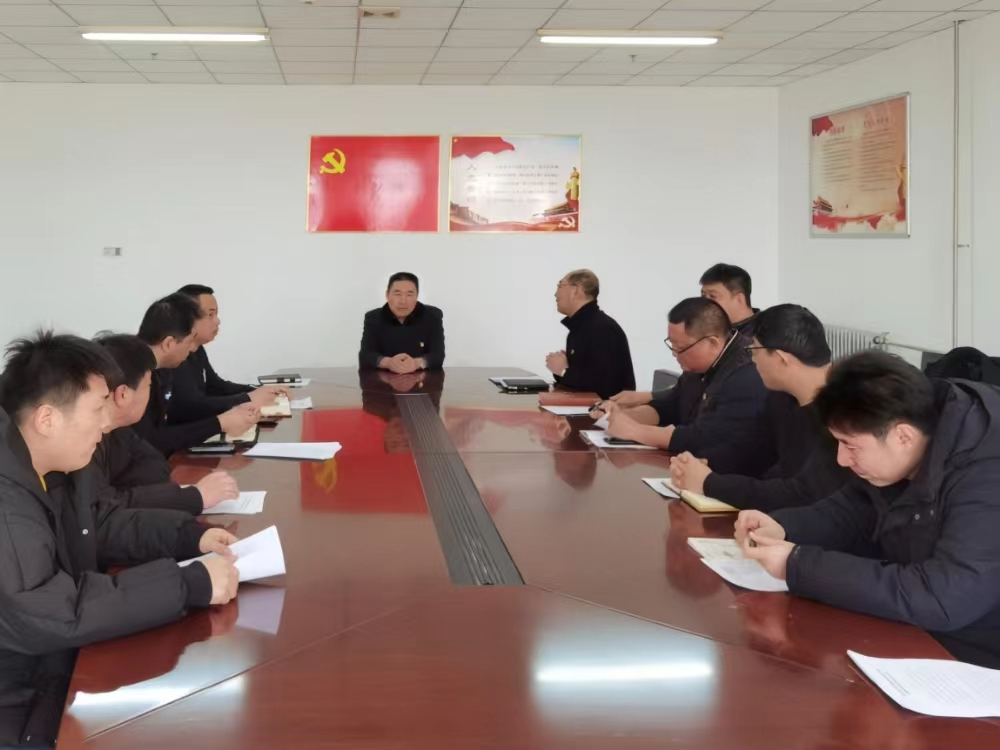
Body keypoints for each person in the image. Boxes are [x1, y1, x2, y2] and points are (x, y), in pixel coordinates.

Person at [736, 351, 1000, 668]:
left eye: (850, 445)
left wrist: (798, 565)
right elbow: (855, 508)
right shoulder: (911, 423)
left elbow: (944, 597)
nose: (842, 460)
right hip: (924, 632)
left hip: (976, 657)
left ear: (903, 436)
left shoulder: (986, 473)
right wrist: (783, 527)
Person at [0, 331, 239, 658]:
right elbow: (50, 613)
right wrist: (186, 584)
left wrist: (190, 536)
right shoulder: (8, 502)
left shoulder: (53, 464)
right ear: (47, 420)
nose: (106, 422)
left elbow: (98, 524)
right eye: (98, 408)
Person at [670, 304, 850, 511]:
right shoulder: (781, 397)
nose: (751, 360)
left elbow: (802, 495)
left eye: (753, 350)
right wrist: (701, 464)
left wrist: (709, 483)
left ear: (781, 358)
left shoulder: (844, 412)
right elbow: (751, 449)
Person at [599, 297, 766, 474]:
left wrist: (636, 431)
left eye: (680, 347)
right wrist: (619, 416)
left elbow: (707, 438)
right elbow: (670, 406)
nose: (674, 353)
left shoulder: (746, 373)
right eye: (672, 345)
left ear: (712, 342)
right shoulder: (696, 367)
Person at [94, 332, 240, 514]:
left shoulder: (120, 430)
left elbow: (154, 465)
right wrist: (194, 497)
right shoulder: (88, 440)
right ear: (123, 394)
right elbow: (101, 507)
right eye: (148, 385)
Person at [611, 263, 757, 408]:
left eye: (712, 296)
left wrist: (646, 398)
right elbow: (687, 389)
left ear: (739, 299)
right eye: (703, 295)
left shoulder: (758, 341)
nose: (704, 302)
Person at [133, 293, 258, 456]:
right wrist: (219, 423)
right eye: (190, 341)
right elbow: (151, 442)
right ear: (169, 343)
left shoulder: (163, 370)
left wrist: (227, 418)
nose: (193, 349)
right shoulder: (135, 376)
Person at [168, 284, 284, 424]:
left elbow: (216, 386)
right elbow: (194, 406)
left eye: (216, 314)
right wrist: (249, 398)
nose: (218, 321)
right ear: (187, 319)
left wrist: (262, 391)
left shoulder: (197, 348)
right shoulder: (174, 355)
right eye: (210, 315)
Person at [546, 269, 635, 400]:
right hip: (583, 408)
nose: (555, 294)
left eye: (560, 285)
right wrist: (561, 369)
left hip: (606, 411)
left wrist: (564, 371)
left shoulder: (603, 329)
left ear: (576, 290)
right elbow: (581, 379)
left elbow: (602, 386)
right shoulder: (579, 329)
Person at [359, 272, 445, 373]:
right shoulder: (373, 318)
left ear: (417, 296)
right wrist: (388, 362)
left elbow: (438, 355)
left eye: (409, 294)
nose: (403, 301)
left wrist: (416, 363)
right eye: (397, 294)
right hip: (384, 379)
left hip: (422, 379)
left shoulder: (432, 316)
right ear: (387, 295)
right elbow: (366, 355)